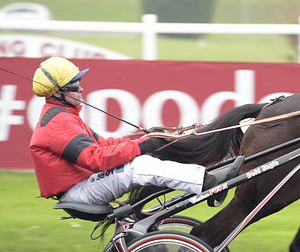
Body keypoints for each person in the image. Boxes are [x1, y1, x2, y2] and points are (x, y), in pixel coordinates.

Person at [28, 56, 242, 206]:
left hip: (83, 185)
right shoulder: (57, 124)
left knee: (141, 160)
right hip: (79, 192)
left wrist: (143, 138)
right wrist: (143, 146)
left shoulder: (63, 117)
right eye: (75, 85)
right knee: (139, 167)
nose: (81, 88)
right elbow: (96, 160)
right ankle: (209, 183)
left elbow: (103, 145)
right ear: (57, 92)